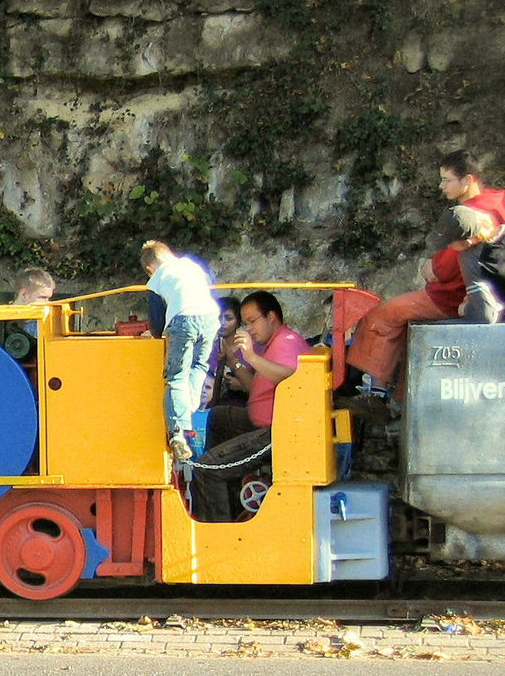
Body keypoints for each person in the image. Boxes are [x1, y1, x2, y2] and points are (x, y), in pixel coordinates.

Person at [346, 150, 505, 410]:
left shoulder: (469, 215)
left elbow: (442, 270)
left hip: (451, 297)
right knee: (409, 330)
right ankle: (401, 397)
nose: (440, 186)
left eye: (446, 180)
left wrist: (429, 267)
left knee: (382, 315)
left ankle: (374, 394)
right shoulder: (499, 200)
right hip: (489, 295)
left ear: (467, 180)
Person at [191, 291, 311, 522]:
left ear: (271, 317)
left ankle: (218, 532)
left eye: (253, 321)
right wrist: (234, 360)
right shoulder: (273, 344)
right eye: (246, 323)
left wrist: (252, 357)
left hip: (275, 432)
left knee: (207, 469)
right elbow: (255, 387)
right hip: (258, 420)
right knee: (216, 417)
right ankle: (231, 496)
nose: (250, 329)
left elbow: (290, 377)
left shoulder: (286, 342)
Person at [141, 241, 220, 462]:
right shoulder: (192, 266)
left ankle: (177, 432)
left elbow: (157, 325)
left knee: (176, 376)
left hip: (183, 321)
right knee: (199, 366)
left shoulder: (156, 279)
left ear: (150, 268)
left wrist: (155, 334)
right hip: (211, 318)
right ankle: (189, 415)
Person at [455, 204, 505, 323]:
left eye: (449, 243)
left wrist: (465, 309)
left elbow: (485, 316)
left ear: (466, 242)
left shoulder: (470, 259)